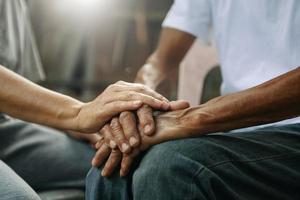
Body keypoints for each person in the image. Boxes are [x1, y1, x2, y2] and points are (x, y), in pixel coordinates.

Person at [86, 0, 300, 199]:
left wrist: (189, 120)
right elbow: (160, 62)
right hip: (243, 134)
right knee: (111, 166)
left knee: (169, 166)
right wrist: (135, 105)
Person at [0, 1, 179, 199]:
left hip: (7, 127)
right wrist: (74, 113)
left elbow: (20, 87)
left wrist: (61, 122)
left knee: (119, 166)